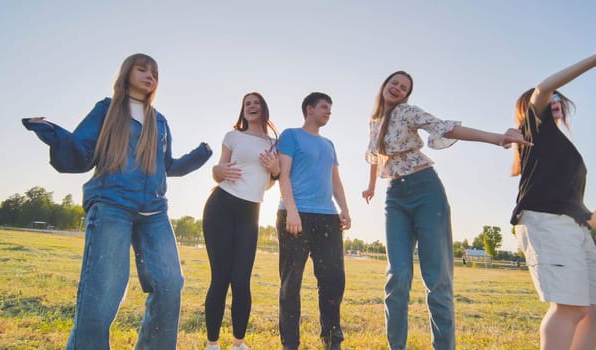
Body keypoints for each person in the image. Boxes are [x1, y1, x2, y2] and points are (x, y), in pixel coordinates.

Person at [22, 53, 213, 349]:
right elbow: (83, 150)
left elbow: (168, 166)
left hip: (154, 211)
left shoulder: (159, 121)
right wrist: (50, 132)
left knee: (170, 283)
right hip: (111, 205)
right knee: (105, 290)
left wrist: (202, 153)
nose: (149, 75)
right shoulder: (107, 109)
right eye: (142, 69)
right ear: (127, 73)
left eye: (154, 73)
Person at [361, 71, 529, 350]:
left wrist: (498, 138)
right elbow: (375, 157)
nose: (398, 89)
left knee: (437, 279)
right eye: (395, 83)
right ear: (385, 85)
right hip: (395, 197)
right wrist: (371, 187)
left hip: (426, 190)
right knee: (397, 277)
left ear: (406, 95)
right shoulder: (374, 121)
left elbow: (446, 128)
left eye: (404, 88)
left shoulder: (407, 112)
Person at [510, 53, 596, 350]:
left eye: (559, 96)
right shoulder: (533, 130)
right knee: (569, 308)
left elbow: (578, 208)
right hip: (546, 223)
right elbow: (544, 87)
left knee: (592, 310)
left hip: (575, 228)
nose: (554, 99)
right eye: (550, 98)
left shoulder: (565, 148)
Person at [202, 92, 280, 350]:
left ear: (263, 108)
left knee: (241, 279)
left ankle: (238, 344)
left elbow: (268, 183)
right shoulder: (232, 136)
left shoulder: (273, 143)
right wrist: (216, 171)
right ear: (243, 110)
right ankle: (212, 344)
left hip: (250, 212)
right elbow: (219, 170)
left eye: (256, 102)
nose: (252, 106)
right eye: (247, 103)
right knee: (220, 278)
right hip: (221, 206)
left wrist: (276, 170)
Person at [276, 92, 351, 350]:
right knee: (291, 281)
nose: (328, 112)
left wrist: (345, 209)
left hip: (328, 217)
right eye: (324, 107)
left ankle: (332, 340)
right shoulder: (290, 135)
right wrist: (292, 210)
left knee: (333, 279)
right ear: (309, 109)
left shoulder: (329, 144)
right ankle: (290, 343)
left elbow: (335, 181)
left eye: (330, 108)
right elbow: (283, 175)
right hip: (296, 216)